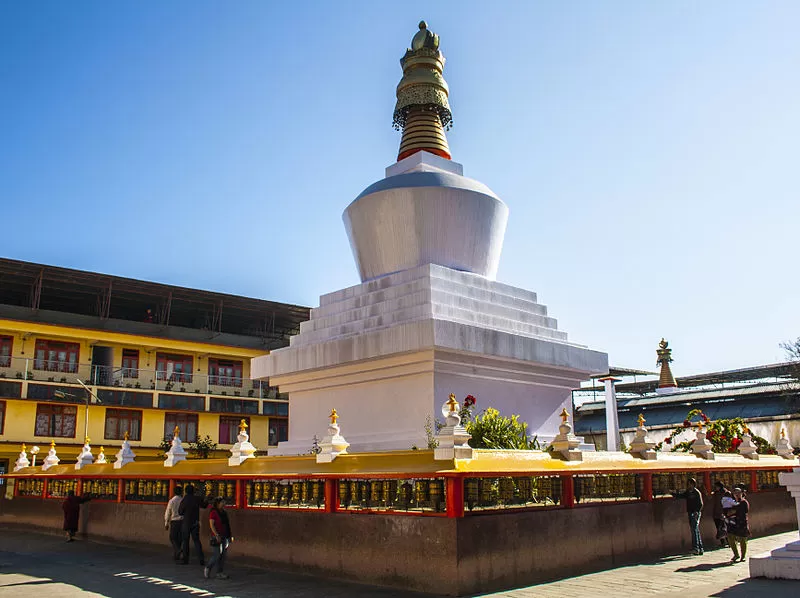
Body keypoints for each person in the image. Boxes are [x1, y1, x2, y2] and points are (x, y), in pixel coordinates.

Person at [204, 497, 234, 580]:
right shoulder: (213, 512)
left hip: (225, 535)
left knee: (223, 555)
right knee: (217, 554)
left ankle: (219, 572)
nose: (224, 503)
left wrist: (230, 536)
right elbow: (212, 524)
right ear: (218, 503)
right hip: (217, 536)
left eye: (224, 502)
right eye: (222, 502)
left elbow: (227, 525)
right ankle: (208, 567)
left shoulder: (224, 512)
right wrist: (216, 534)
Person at [673, 477, 704, 555]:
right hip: (690, 512)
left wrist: (697, 511)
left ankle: (695, 548)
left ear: (694, 484)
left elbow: (701, 504)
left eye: (691, 484)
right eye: (688, 484)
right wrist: (672, 493)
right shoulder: (688, 492)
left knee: (694, 530)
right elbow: (680, 496)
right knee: (695, 529)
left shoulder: (697, 492)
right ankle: (700, 548)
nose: (689, 485)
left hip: (695, 513)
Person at [178, 484, 208, 566]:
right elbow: (204, 505)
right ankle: (201, 559)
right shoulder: (196, 498)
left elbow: (180, 512)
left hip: (186, 523)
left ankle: (185, 559)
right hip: (195, 522)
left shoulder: (185, 499)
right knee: (197, 541)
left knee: (185, 541)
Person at [726, 486, 751, 563]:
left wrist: (734, 511)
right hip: (733, 523)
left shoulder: (744, 502)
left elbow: (744, 511)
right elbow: (728, 512)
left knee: (743, 539)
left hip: (742, 522)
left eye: (738, 493)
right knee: (730, 537)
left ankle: (743, 556)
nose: (737, 495)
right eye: (735, 493)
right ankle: (736, 554)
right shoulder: (732, 503)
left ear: (741, 494)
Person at [164, 485, 184, 561]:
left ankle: (177, 550)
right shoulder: (182, 500)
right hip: (182, 521)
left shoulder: (172, 501)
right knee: (179, 538)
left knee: (172, 537)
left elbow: (168, 512)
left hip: (174, 521)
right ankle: (177, 554)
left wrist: (166, 523)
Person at [712, 481, 732, 547]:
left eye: (716, 486)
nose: (715, 488)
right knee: (719, 528)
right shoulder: (716, 493)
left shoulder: (726, 493)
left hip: (723, 513)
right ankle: (723, 542)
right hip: (716, 513)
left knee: (725, 528)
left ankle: (729, 541)